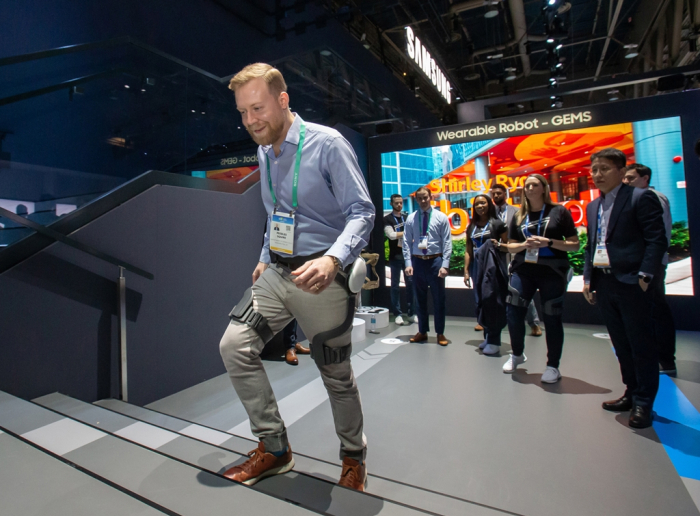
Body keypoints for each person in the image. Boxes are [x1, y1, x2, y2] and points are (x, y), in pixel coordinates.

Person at [219, 63, 374, 490]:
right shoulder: (264, 151)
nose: (251, 121)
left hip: (323, 275)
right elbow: (275, 214)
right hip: (278, 273)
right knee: (234, 345)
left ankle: (353, 458)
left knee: (335, 373)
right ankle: (274, 447)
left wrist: (333, 261)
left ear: (283, 100)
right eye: (243, 112)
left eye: (258, 108)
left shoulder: (327, 145)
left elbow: (362, 213)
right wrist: (265, 255)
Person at [583, 148, 667, 429]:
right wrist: (588, 279)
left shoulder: (641, 198)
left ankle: (644, 403)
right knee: (620, 344)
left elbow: (656, 240)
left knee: (641, 344)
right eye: (594, 170)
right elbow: (592, 246)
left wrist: (645, 275)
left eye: (604, 169)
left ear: (621, 171)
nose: (597, 175)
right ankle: (631, 392)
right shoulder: (593, 206)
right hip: (605, 283)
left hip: (633, 283)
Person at [499, 174, 579, 382]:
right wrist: (525, 245)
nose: (530, 188)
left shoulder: (559, 212)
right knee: (513, 312)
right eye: (527, 186)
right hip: (523, 269)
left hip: (552, 271)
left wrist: (549, 242)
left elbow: (574, 244)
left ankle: (553, 366)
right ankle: (517, 354)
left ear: (543, 188)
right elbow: (511, 245)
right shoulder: (519, 215)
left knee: (552, 317)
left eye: (534, 185)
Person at [622, 163, 676, 376]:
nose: (626, 181)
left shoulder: (653, 198)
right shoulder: (633, 199)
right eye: (625, 178)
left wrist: (647, 269)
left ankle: (665, 360)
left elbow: (657, 237)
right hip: (639, 266)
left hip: (651, 266)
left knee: (656, 311)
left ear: (645, 178)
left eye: (631, 178)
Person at [491, 183, 542, 337]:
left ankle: (534, 323)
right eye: (493, 194)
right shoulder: (490, 212)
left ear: (505, 194)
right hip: (495, 257)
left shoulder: (517, 212)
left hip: (513, 256)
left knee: (519, 291)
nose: (496, 196)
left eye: (499, 193)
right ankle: (493, 322)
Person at [403, 186, 452, 346]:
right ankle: (422, 331)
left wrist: (445, 265)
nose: (423, 201)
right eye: (420, 198)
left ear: (431, 197)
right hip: (418, 262)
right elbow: (406, 242)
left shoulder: (441, 217)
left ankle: (440, 333)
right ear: (416, 200)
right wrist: (408, 263)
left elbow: (447, 242)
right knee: (420, 299)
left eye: (426, 197)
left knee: (439, 299)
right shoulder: (411, 218)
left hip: (435, 262)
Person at [463, 194, 508, 355]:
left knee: (492, 302)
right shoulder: (472, 226)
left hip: (492, 268)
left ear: (489, 204)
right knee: (480, 302)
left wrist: (499, 245)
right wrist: (466, 271)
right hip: (477, 267)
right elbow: (468, 250)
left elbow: (508, 246)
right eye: (477, 204)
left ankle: (495, 341)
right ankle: (488, 337)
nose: (480, 206)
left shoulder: (498, 224)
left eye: (483, 203)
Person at [383, 194, 417, 325]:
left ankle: (411, 313)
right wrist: (407, 232)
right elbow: (391, 236)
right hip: (395, 257)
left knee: (411, 284)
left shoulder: (407, 218)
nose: (399, 205)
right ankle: (397, 314)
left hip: (408, 256)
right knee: (395, 286)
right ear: (391, 204)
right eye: (396, 203)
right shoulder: (387, 219)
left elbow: (415, 233)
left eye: (401, 203)